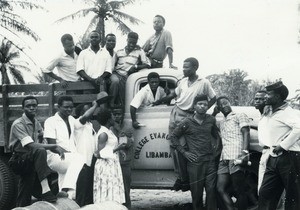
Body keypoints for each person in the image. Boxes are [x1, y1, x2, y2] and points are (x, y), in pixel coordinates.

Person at [159, 57, 216, 191]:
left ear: (195, 68)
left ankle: (186, 179)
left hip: (190, 115)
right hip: (177, 113)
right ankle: (181, 178)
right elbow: (176, 95)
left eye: (187, 67)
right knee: (175, 146)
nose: (184, 69)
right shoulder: (183, 81)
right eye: (183, 67)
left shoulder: (204, 82)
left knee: (186, 147)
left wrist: (201, 111)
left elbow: (213, 98)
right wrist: (160, 100)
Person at [9, 96, 67, 207]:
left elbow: (42, 139)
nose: (32, 108)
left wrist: (54, 147)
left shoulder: (36, 122)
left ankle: (45, 194)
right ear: (23, 109)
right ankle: (46, 190)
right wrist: (53, 146)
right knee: (40, 151)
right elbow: (31, 145)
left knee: (25, 190)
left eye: (34, 106)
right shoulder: (18, 124)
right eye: (28, 106)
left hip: (31, 159)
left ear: (37, 107)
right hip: (20, 161)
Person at [43, 96, 97, 207]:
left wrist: (95, 106)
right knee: (80, 159)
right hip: (56, 157)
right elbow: (51, 144)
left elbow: (84, 117)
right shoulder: (51, 121)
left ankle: (65, 201)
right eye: (66, 107)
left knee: (68, 188)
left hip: (69, 159)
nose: (69, 110)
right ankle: (65, 189)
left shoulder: (72, 119)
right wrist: (64, 151)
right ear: (58, 107)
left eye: (71, 107)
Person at [170, 94, 219, 210]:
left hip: (210, 162)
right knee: (196, 193)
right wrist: (184, 152)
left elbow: (216, 136)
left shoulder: (211, 120)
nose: (203, 106)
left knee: (211, 191)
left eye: (205, 105)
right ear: (194, 106)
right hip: (195, 162)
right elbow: (173, 137)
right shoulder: (186, 122)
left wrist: (215, 150)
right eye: (200, 104)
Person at [258, 81, 300, 210]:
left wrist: (282, 145)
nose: (265, 97)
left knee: (293, 195)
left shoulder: (289, 112)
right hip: (273, 157)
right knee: (265, 193)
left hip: (289, 157)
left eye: (268, 94)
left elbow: (299, 127)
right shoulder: (270, 112)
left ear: (277, 96)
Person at [212, 96, 250, 210]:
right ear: (218, 107)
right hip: (224, 158)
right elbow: (210, 125)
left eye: (226, 103)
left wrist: (245, 153)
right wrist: (214, 113)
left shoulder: (239, 115)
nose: (224, 106)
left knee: (239, 189)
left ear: (230, 103)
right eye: (221, 105)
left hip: (236, 156)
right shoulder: (222, 122)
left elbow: (246, 133)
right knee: (220, 188)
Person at [93, 108, 126, 204]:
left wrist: (118, 151)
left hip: (112, 164)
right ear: (108, 120)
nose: (114, 118)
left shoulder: (108, 131)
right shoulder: (103, 134)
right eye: (112, 117)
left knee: (112, 189)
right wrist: (117, 149)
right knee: (107, 191)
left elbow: (110, 146)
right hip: (105, 166)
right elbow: (99, 154)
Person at [109, 32, 151, 108]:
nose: (132, 44)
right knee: (115, 81)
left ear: (136, 42)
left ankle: (123, 106)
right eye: (130, 42)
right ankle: (111, 103)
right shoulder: (119, 52)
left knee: (127, 90)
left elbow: (147, 64)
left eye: (134, 43)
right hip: (117, 73)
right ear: (127, 40)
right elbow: (112, 66)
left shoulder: (139, 51)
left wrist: (135, 66)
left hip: (129, 75)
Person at [111, 107, 134, 209]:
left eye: (119, 114)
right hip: (112, 162)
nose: (117, 116)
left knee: (125, 187)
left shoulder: (127, 128)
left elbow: (126, 144)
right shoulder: (109, 128)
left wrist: (119, 130)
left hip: (124, 162)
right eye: (115, 114)